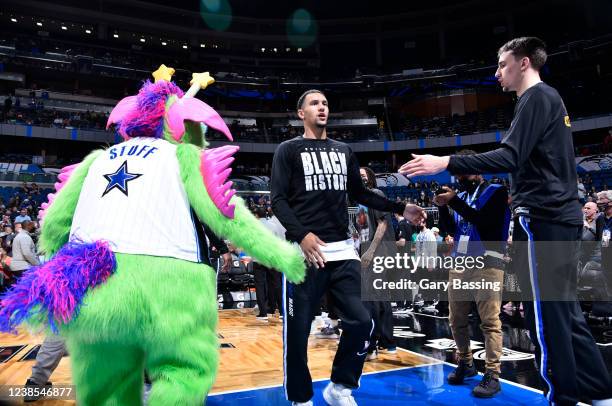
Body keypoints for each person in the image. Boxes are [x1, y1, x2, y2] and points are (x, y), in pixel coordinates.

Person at [400, 37, 612, 405]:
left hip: (543, 218)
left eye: (502, 64)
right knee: (565, 313)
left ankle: (562, 396)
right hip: (559, 217)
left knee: (544, 317)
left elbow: (510, 155)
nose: (497, 72)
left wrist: (446, 162)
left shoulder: (535, 98)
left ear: (524, 62)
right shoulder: (549, 99)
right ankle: (599, 391)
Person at [272, 89, 425, 406]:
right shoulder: (287, 150)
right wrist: (302, 234)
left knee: (362, 320)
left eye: (325, 102)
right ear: (301, 113)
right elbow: (278, 201)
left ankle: (339, 386)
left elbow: (362, 194)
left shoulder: (343, 150)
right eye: (314, 103)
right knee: (298, 332)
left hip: (342, 250)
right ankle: (300, 398)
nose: (322, 107)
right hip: (303, 253)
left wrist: (400, 208)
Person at [435, 151, 510, 398]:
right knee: (455, 319)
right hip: (459, 262)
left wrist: (454, 201)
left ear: (476, 169)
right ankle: (466, 363)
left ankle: (492, 374)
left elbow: (485, 223)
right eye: (456, 174)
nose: (459, 177)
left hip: (487, 262)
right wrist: (444, 207)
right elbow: (449, 230)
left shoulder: (496, 191)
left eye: (462, 172)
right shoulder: (463, 196)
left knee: (489, 321)